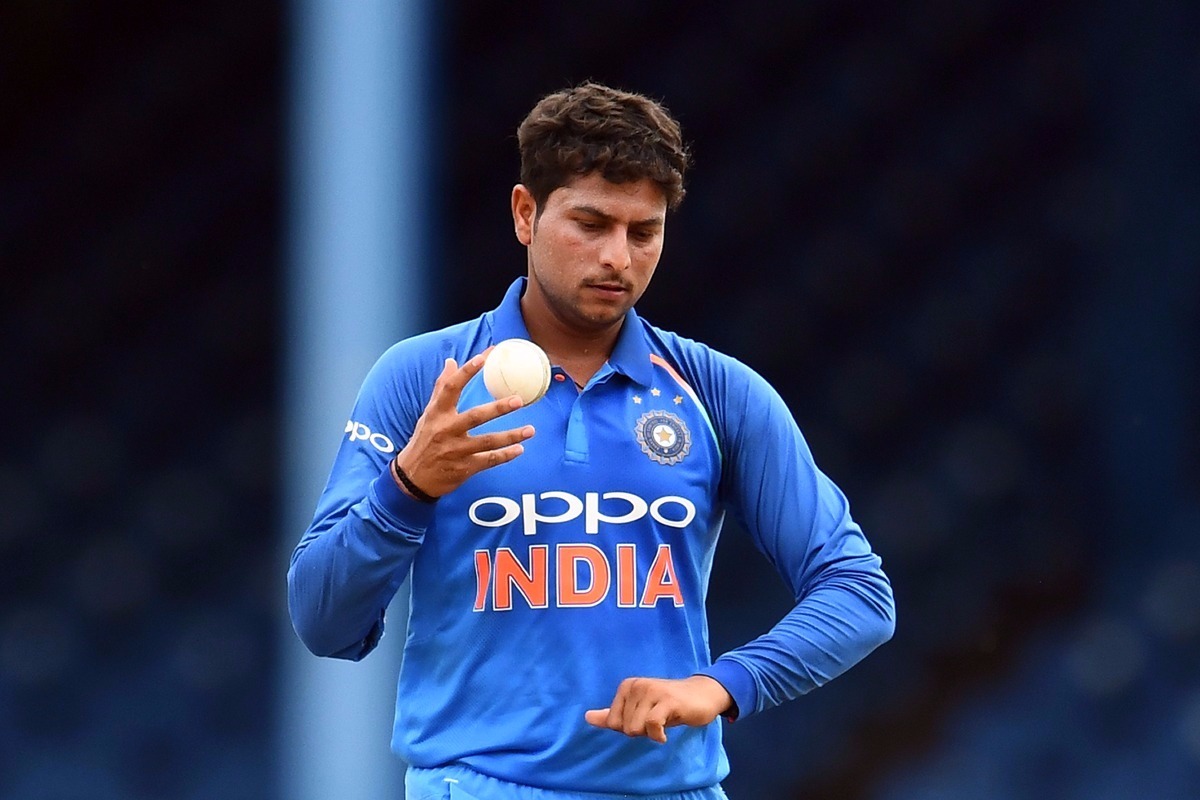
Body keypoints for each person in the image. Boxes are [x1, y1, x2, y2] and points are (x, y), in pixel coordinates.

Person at [288, 81, 895, 799]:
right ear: (525, 213)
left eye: (645, 232)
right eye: (591, 223)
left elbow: (859, 593)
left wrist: (724, 685)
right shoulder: (424, 378)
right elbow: (323, 622)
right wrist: (406, 488)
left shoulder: (717, 392)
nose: (618, 257)